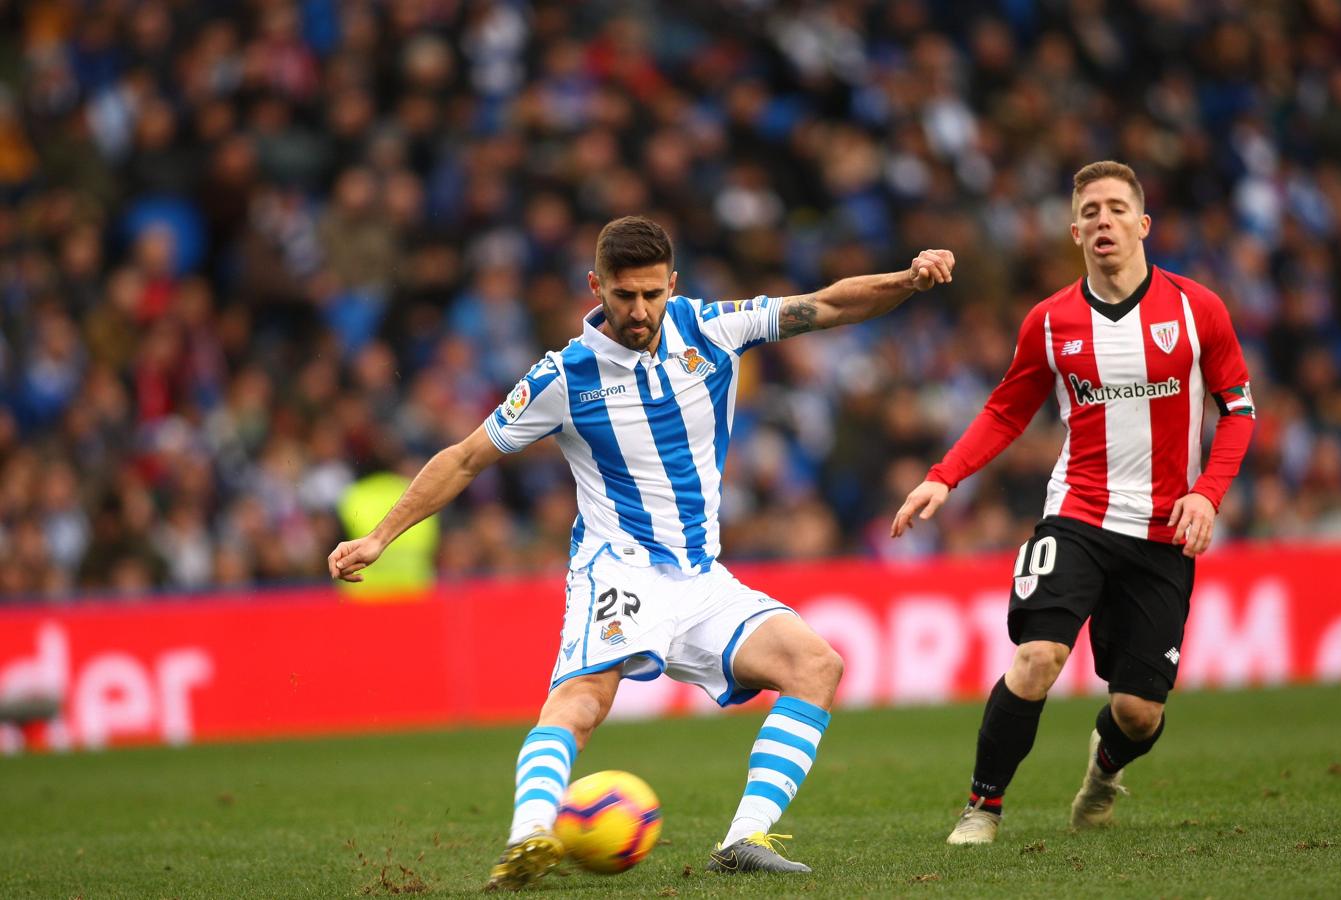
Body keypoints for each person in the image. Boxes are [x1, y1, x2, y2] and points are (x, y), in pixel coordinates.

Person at [329, 216, 956, 887]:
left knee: (816, 665)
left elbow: (827, 305)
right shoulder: (562, 377)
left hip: (699, 576)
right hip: (618, 570)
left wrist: (908, 280)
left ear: (672, 285)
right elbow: (464, 458)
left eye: (653, 294)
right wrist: (379, 536)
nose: (640, 310)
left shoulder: (711, 327)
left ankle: (744, 839)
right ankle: (529, 839)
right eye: (625, 295)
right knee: (583, 701)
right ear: (596, 286)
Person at [892, 161, 1255, 844]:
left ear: (1142, 224)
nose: (1103, 221)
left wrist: (1208, 495)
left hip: (1162, 531)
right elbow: (1006, 411)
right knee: (1036, 659)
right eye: (1090, 212)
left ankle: (1104, 773)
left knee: (1139, 711)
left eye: (1116, 208)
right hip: (1078, 516)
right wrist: (944, 475)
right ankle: (982, 808)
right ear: (1075, 231)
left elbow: (1238, 411)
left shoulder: (1195, 308)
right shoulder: (1051, 321)